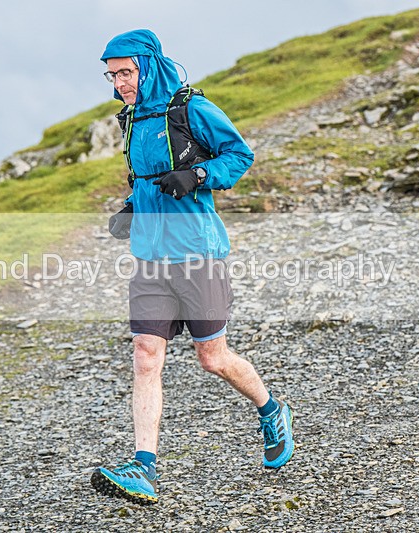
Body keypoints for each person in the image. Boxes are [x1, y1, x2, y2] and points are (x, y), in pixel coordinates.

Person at [91, 29, 294, 505]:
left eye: (126, 72)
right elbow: (144, 179)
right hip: (150, 256)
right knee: (146, 353)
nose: (119, 82)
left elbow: (239, 155)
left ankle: (271, 410)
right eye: (111, 74)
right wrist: (131, 208)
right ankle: (143, 468)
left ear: (149, 66)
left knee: (213, 358)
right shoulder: (131, 118)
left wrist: (199, 175)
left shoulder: (190, 109)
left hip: (199, 253)